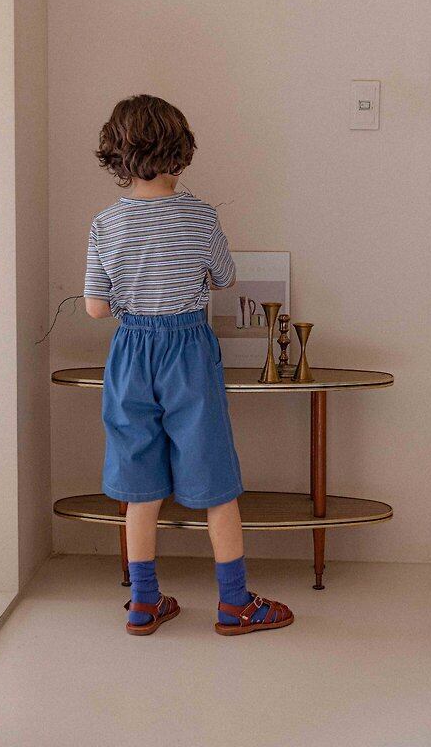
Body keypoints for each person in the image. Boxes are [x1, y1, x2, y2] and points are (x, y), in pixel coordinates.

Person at [83, 93, 294, 636]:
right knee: (214, 477)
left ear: (117, 156)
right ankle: (234, 602)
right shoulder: (200, 216)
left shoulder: (105, 223)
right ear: (180, 152)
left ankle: (144, 602)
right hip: (187, 349)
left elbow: (95, 306)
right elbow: (225, 277)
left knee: (139, 484)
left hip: (130, 351)